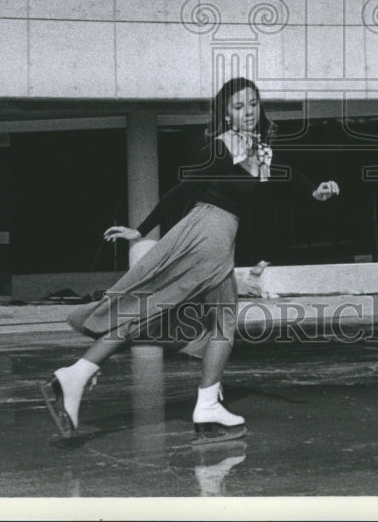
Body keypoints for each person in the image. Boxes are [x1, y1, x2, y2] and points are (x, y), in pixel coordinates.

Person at [39, 77, 340, 439]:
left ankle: (78, 374)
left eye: (252, 104)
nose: (247, 112)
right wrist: (143, 229)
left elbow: (289, 178)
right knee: (223, 324)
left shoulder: (259, 150)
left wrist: (315, 192)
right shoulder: (226, 145)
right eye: (238, 106)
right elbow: (186, 186)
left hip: (217, 234)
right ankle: (206, 405)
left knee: (159, 308)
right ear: (226, 114)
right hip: (207, 232)